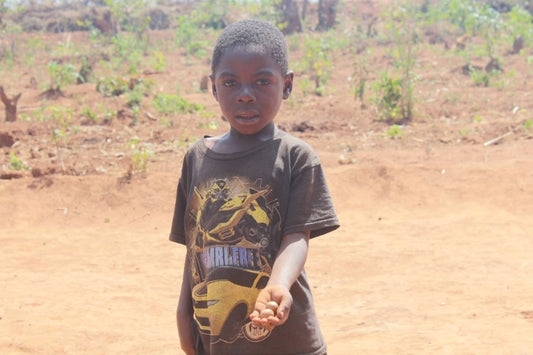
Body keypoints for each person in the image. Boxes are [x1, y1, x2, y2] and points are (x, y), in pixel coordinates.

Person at [169, 18, 339, 354]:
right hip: (217, 331)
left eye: (262, 82)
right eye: (231, 83)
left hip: (286, 337)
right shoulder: (197, 158)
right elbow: (195, 247)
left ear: (286, 85)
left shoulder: (295, 157)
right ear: (214, 87)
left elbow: (296, 237)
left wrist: (278, 285)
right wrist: (184, 309)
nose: (246, 96)